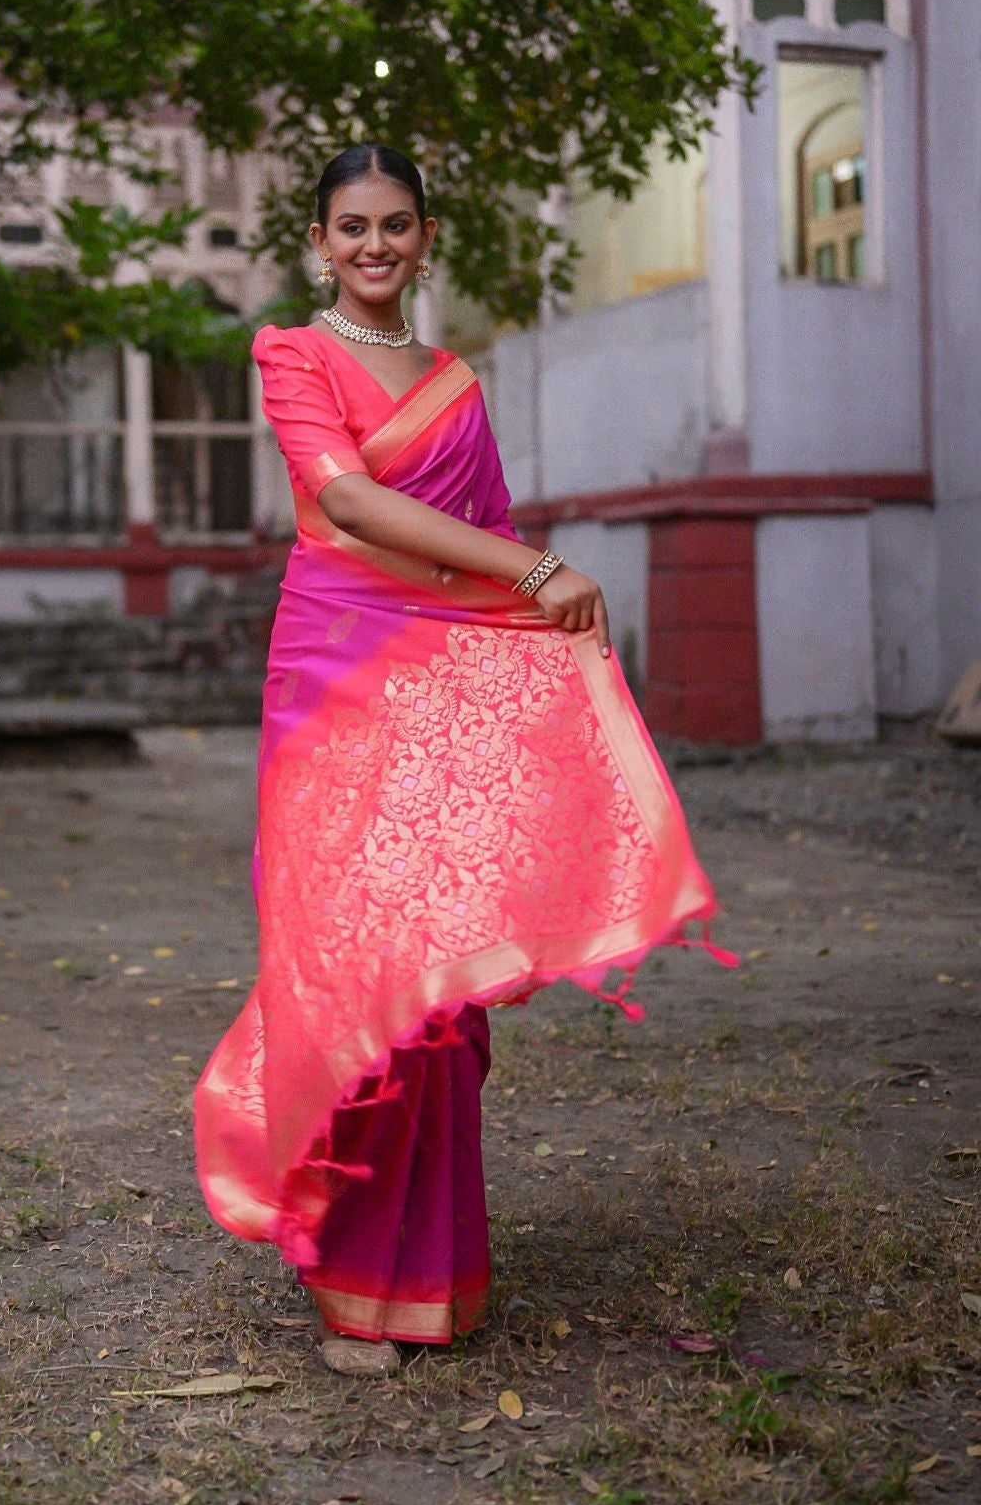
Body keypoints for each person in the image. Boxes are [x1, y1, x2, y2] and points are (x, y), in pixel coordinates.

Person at [194, 143, 727, 1377]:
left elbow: (475, 535)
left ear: (427, 238)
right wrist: (539, 571)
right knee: (355, 965)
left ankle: (423, 1276)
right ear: (318, 242)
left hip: (442, 676)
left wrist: (530, 636)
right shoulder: (291, 353)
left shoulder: (452, 381)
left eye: (395, 226)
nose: (373, 246)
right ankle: (346, 1286)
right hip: (336, 677)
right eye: (350, 227)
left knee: (435, 982)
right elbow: (356, 506)